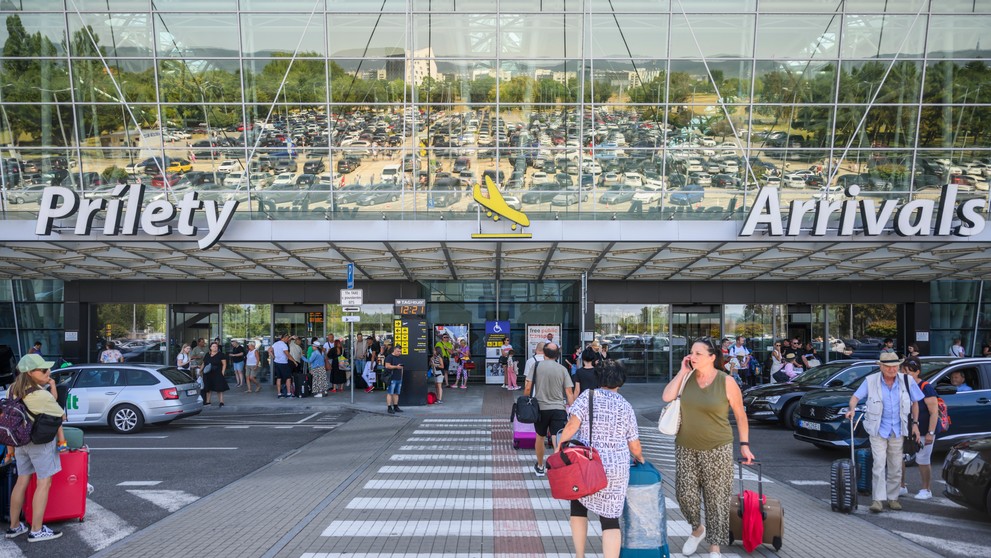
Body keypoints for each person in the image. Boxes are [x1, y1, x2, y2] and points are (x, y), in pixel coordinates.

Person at [663, 338, 755, 558]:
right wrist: (681, 371)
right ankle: (697, 529)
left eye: (698, 353)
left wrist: (744, 445)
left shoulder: (726, 381)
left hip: (718, 447)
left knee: (717, 498)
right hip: (685, 446)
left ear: (712, 357)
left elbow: (741, 416)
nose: (692, 357)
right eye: (691, 353)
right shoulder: (686, 378)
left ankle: (715, 546)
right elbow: (666, 397)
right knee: (685, 495)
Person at [557, 360, 644, 558]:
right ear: (621, 382)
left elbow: (571, 427)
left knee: (578, 508)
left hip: (586, 465)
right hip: (616, 469)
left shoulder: (588, 397)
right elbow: (634, 445)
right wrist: (640, 458)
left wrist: (559, 447)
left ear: (599, 378)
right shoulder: (626, 406)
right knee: (610, 519)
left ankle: (580, 555)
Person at [844, 353, 924, 513]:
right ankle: (878, 500)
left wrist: (915, 424)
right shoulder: (871, 381)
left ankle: (893, 498)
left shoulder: (906, 381)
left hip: (898, 429)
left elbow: (915, 403)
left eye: (895, 366)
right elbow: (855, 397)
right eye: (888, 366)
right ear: (881, 366)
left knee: (895, 465)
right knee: (879, 464)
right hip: (878, 429)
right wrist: (851, 410)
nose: (892, 369)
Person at [5, 354, 65, 542]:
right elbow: (61, 416)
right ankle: (36, 530)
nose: (48, 372)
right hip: (40, 443)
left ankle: (14, 527)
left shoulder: (12, 389)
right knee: (43, 483)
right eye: (43, 370)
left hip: (20, 441)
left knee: (21, 482)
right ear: (30, 372)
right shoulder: (41, 395)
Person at [524, 342, 574, 477]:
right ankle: (557, 468)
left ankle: (540, 466)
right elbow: (569, 393)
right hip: (558, 408)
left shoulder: (536, 366)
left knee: (540, 436)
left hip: (540, 408)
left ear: (544, 353)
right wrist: (573, 411)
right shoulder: (562, 369)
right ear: (557, 355)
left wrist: (525, 399)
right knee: (556, 438)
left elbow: (528, 388)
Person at [899, 358, 940, 500]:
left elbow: (934, 412)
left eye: (908, 371)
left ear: (917, 372)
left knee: (923, 459)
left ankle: (926, 489)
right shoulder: (902, 385)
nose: (905, 373)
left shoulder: (925, 387)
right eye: (903, 371)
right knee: (900, 457)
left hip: (924, 429)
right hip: (905, 428)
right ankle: (901, 486)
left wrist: (931, 432)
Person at [201, 341, 229, 407]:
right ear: (210, 347)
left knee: (219, 388)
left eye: (216, 346)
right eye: (213, 346)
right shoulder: (207, 354)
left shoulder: (221, 354)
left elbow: (224, 364)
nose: (215, 348)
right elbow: (204, 363)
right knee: (208, 388)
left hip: (217, 373)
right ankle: (208, 401)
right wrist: (200, 370)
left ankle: (221, 402)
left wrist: (222, 372)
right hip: (208, 373)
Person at [272, 333, 294, 399]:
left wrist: (274, 357)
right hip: (283, 363)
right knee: (288, 378)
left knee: (279, 378)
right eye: (287, 338)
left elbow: (269, 350)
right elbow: (288, 355)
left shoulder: (275, 344)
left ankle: (279, 393)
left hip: (277, 362)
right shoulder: (284, 345)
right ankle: (288, 393)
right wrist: (294, 361)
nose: (288, 340)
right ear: (284, 338)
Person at [384, 345, 404, 414]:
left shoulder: (399, 357)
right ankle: (389, 407)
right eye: (398, 351)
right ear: (394, 350)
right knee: (390, 393)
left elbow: (401, 367)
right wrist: (396, 367)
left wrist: (401, 376)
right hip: (392, 377)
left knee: (396, 393)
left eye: (400, 351)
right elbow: (387, 366)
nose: (399, 353)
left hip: (398, 377)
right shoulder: (389, 357)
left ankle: (396, 406)